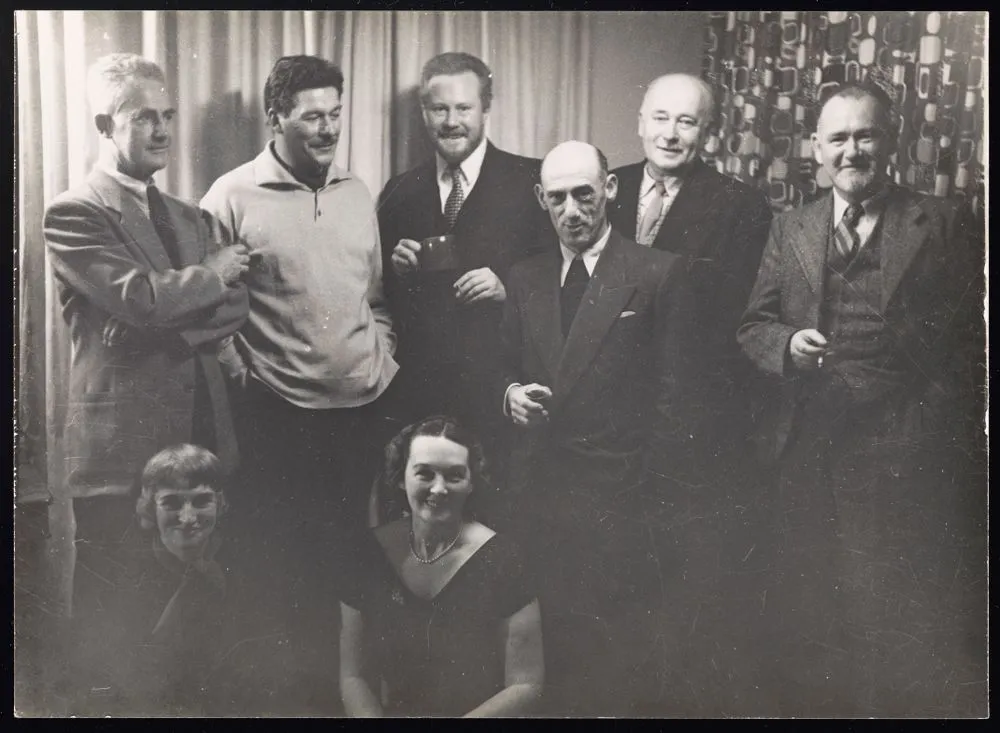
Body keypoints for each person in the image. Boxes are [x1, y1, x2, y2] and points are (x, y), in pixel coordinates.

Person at [737, 83, 986, 717]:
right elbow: (753, 325)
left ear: (891, 140)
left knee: (893, 607)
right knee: (812, 601)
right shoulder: (789, 225)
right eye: (839, 138)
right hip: (808, 442)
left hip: (903, 442)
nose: (853, 150)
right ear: (816, 148)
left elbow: (968, 342)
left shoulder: (945, 221)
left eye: (865, 135)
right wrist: (789, 343)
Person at [199, 55, 397, 710]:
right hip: (282, 420)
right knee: (287, 568)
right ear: (276, 117)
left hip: (363, 413)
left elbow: (374, 296)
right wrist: (243, 375)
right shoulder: (230, 196)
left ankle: (348, 697)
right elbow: (208, 309)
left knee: (354, 567)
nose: (327, 128)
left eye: (335, 114)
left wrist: (383, 356)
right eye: (312, 115)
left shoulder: (357, 191)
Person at [43, 52, 249, 619]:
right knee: (114, 624)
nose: (161, 131)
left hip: (200, 431)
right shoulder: (73, 212)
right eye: (143, 117)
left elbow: (234, 307)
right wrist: (211, 275)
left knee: (194, 618)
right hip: (121, 450)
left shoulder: (190, 216)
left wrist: (161, 326)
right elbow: (143, 298)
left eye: (167, 115)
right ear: (104, 126)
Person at [499, 140, 698, 716]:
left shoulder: (657, 273)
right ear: (541, 200)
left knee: (610, 656)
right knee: (545, 653)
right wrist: (509, 395)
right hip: (538, 494)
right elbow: (502, 366)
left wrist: (644, 493)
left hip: (620, 498)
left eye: (584, 194)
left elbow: (676, 399)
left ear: (610, 189)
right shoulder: (525, 276)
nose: (572, 211)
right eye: (557, 198)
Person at [607, 72, 774, 714]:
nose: (672, 134)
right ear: (640, 122)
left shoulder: (739, 205)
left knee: (677, 571)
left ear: (709, 132)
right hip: (606, 406)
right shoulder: (608, 185)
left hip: (686, 409)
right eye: (661, 118)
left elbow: (728, 314)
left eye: (688, 122)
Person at [378, 52, 551, 497]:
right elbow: (378, 299)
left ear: (486, 109)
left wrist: (508, 289)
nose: (451, 121)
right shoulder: (399, 192)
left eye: (463, 108)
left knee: (497, 521)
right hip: (419, 397)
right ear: (423, 113)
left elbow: (565, 283)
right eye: (439, 109)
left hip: (498, 397)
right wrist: (394, 269)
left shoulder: (532, 181)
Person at [339, 416, 544, 717]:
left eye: (454, 476)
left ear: (472, 482)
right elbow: (352, 676)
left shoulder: (503, 558)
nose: (438, 489)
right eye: (424, 474)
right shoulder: (368, 553)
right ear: (400, 476)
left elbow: (525, 684)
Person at [68, 445, 230, 716]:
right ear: (148, 507)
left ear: (221, 503)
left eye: (202, 501)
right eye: (171, 503)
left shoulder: (236, 566)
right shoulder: (124, 578)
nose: (188, 518)